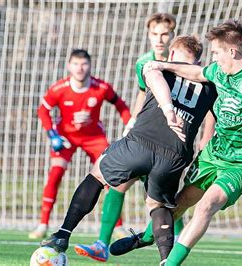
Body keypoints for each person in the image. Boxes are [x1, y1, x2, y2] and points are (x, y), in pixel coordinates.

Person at [118, 20, 242, 265]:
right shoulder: (218, 71)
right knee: (180, 202)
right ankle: (148, 236)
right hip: (215, 154)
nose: (212, 56)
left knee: (206, 205)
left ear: (232, 52)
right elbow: (195, 72)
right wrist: (161, 65)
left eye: (216, 51)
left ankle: (169, 263)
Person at [39, 35, 217, 265]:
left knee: (97, 175)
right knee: (158, 205)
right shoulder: (210, 85)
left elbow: (153, 77)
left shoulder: (157, 66)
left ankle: (63, 234)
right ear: (198, 61)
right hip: (174, 155)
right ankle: (166, 260)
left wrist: (167, 108)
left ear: (172, 55)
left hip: (140, 142)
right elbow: (216, 115)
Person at [75, 13, 201, 262]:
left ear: (173, 36)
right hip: (146, 137)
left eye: (164, 34)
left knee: (166, 203)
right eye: (154, 34)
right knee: (119, 184)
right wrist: (132, 122)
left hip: (172, 144)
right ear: (148, 35)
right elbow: (145, 94)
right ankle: (102, 243)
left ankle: (171, 253)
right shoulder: (144, 61)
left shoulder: (187, 64)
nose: (159, 39)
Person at [28, 49, 131, 239]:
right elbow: (43, 110)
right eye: (75, 64)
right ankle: (42, 224)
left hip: (94, 138)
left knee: (110, 178)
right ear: (69, 66)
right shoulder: (59, 88)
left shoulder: (101, 88)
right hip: (66, 138)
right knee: (56, 173)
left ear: (90, 66)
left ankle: (118, 226)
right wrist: (52, 134)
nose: (80, 68)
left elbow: (121, 106)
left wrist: (129, 125)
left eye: (84, 64)